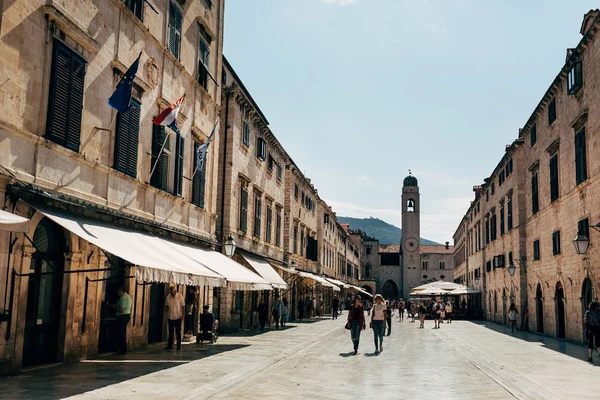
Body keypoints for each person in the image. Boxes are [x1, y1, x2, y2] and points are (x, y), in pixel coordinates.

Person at [111, 286, 132, 355]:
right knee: (122, 333)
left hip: (122, 317)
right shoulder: (128, 297)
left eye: (118, 291)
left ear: (121, 290)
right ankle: (123, 349)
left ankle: (122, 350)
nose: (117, 293)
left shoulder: (123, 298)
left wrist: (114, 307)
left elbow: (122, 309)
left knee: (121, 333)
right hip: (127, 315)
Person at [165, 285, 185, 350]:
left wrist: (183, 315)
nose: (171, 294)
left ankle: (178, 346)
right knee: (170, 332)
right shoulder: (168, 296)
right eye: (171, 292)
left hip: (178, 316)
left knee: (178, 332)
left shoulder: (179, 296)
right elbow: (166, 305)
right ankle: (169, 345)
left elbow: (182, 306)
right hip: (170, 316)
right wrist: (166, 310)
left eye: (172, 292)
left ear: (175, 291)